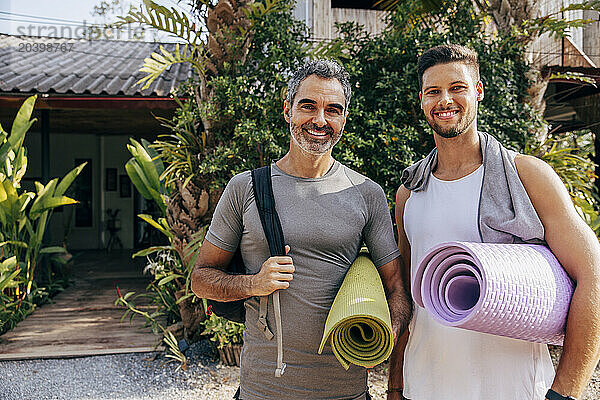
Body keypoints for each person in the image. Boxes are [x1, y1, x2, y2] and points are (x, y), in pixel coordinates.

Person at [190, 59, 412, 400]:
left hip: (346, 392)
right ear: (287, 110)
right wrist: (253, 283)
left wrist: (390, 331)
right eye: (308, 106)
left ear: (344, 119)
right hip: (263, 390)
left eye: (333, 110)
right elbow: (201, 278)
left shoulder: (366, 193)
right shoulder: (245, 188)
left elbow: (396, 285)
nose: (320, 120)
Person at [394, 44, 600, 400]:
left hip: (516, 390)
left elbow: (593, 273)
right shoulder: (409, 192)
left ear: (479, 91)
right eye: (433, 91)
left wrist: (565, 392)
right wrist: (396, 386)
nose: (445, 100)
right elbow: (409, 299)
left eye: (457, 87)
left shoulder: (527, 176)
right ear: (422, 101)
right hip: (423, 387)